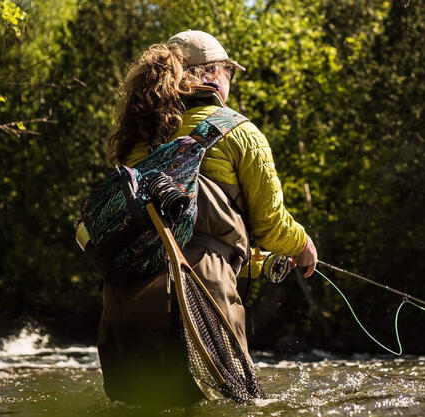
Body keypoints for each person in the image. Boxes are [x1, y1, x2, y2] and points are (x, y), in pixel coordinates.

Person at [96, 29, 317, 405]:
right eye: (230, 74)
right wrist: (302, 245)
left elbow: (172, 238)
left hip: (124, 309)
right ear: (212, 75)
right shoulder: (239, 132)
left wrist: (260, 263)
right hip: (203, 312)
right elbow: (269, 225)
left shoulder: (135, 142)